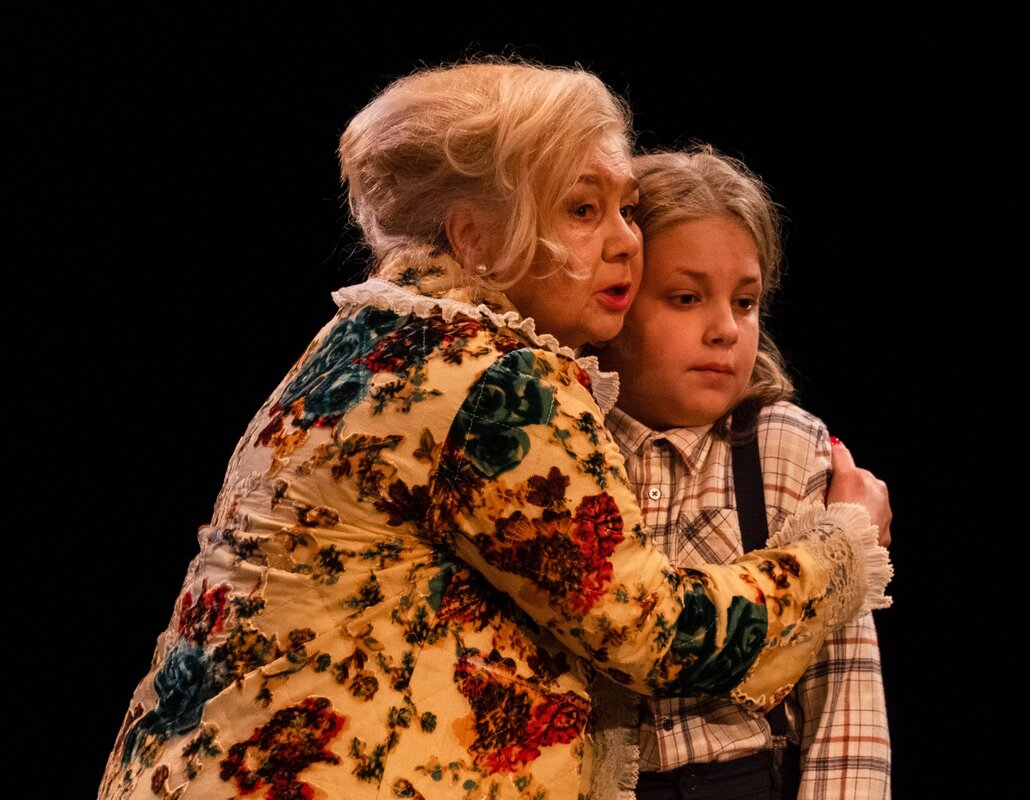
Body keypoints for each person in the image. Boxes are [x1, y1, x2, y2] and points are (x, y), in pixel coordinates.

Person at [98, 60, 893, 800]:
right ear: (474, 235)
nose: (626, 241)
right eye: (581, 210)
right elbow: (659, 634)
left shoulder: (368, 336)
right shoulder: (494, 378)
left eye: (625, 207)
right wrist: (842, 547)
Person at [593, 148, 891, 799]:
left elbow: (845, 698)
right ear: (613, 299)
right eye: (685, 298)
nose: (726, 329)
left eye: (747, 302)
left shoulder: (786, 449)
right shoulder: (564, 445)